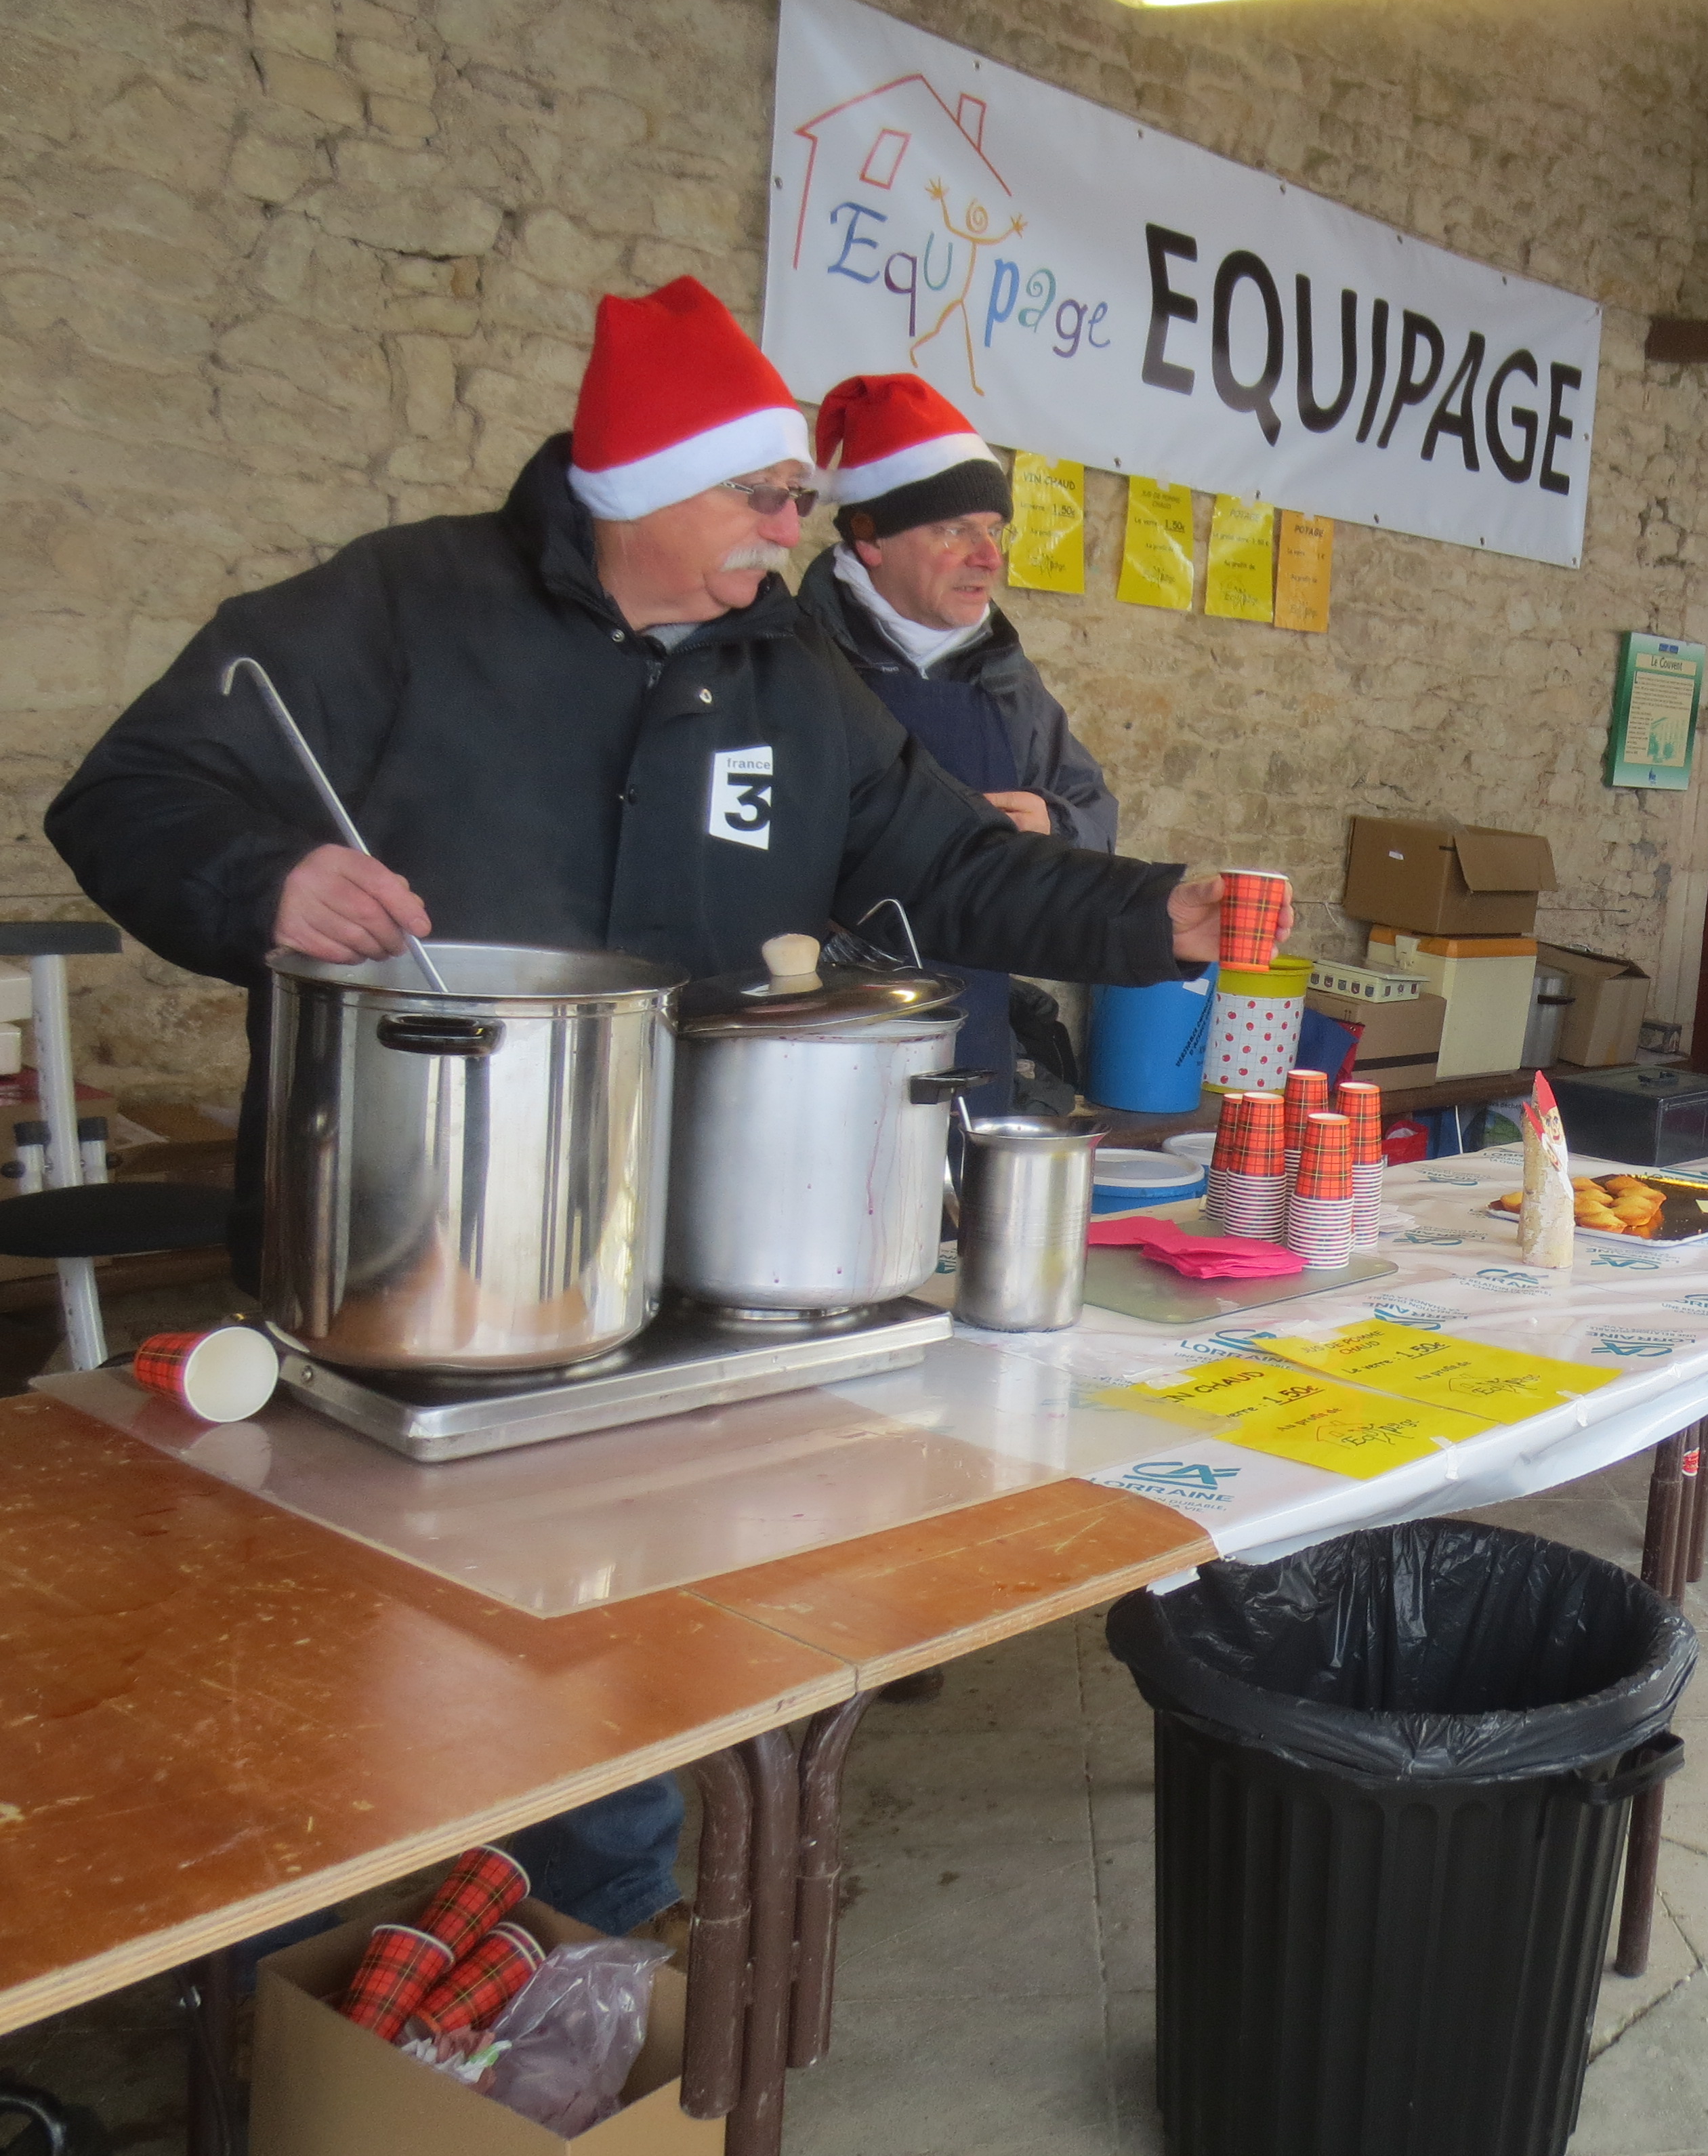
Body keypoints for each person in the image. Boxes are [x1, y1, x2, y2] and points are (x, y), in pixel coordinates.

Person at [46, 277, 1238, 1936]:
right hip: (396, 1252)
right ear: (642, 488)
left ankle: (574, 1970)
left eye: (800, 498)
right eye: (765, 495)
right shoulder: (401, 607)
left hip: (664, 1261)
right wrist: (266, 879)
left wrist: (1155, 913)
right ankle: (317, 1978)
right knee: (351, 1678)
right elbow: (131, 791)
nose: (795, 527)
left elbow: (950, 863)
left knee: (608, 1651)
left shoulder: (787, 672)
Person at [805, 372, 1121, 1118]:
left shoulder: (1008, 680)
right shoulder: (794, 662)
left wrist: (1055, 828)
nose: (988, 557)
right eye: (954, 530)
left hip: (973, 1040)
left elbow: (1093, 814)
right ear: (869, 537)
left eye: (995, 530)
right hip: (822, 1047)